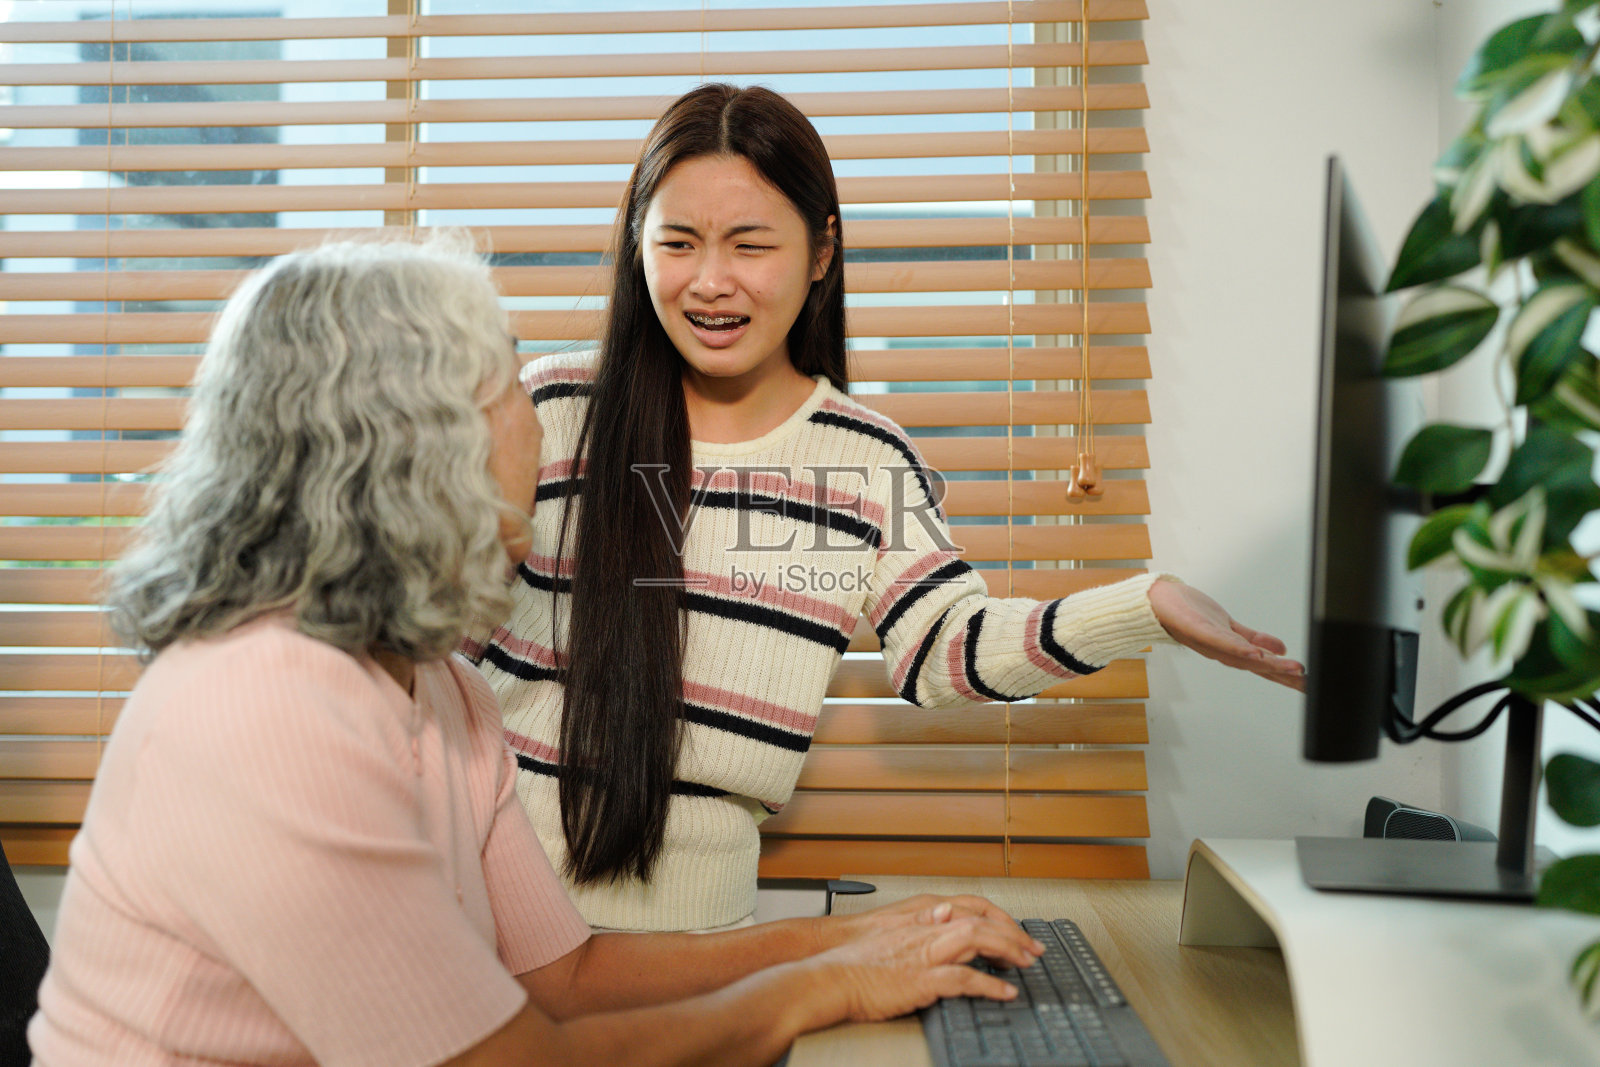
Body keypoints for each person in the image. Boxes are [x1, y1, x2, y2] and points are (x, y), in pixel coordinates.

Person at [26, 238, 1047, 1067]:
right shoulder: (263, 708)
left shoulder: (442, 689)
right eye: (508, 381)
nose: (544, 414)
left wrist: (855, 939)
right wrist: (824, 984)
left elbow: (564, 978)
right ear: (424, 445)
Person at [469, 83, 1306, 934]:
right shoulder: (550, 408)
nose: (711, 282)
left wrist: (1146, 604)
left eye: (750, 244)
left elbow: (943, 648)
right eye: (677, 243)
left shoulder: (866, 463)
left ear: (822, 250)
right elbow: (432, 639)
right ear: (637, 247)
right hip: (486, 913)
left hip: (701, 948)